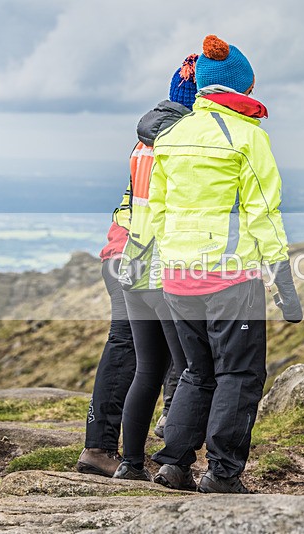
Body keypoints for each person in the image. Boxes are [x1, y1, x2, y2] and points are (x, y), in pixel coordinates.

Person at [149, 34, 302, 493]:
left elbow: (155, 208)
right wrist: (284, 285)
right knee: (239, 374)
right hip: (230, 278)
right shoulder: (248, 138)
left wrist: (156, 272)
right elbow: (263, 214)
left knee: (197, 371)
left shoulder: (171, 136)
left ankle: (174, 464)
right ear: (240, 87)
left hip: (177, 276)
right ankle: (222, 473)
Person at [109, 55, 201, 480]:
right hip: (165, 270)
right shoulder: (182, 145)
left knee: (147, 370)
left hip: (134, 264)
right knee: (187, 368)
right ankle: (172, 463)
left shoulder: (141, 144)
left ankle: (129, 465)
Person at [76, 183, 134, 477]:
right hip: (135, 259)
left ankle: (102, 448)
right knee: (126, 347)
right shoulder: (169, 142)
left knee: (134, 348)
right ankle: (98, 449)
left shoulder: (147, 141)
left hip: (122, 256)